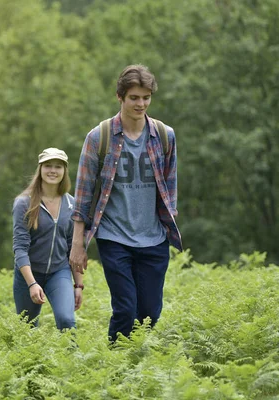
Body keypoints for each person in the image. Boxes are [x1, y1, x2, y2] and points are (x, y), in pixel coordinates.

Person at [70, 64, 182, 342]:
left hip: (153, 238)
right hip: (114, 236)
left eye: (146, 97)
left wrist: (169, 225)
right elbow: (83, 194)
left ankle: (138, 369)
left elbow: (170, 187)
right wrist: (78, 244)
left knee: (150, 314)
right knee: (125, 309)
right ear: (120, 97)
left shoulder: (164, 136)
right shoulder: (100, 137)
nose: (141, 103)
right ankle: (117, 371)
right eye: (134, 97)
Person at [12, 148, 84, 330]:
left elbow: (74, 246)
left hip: (59, 272)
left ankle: (71, 358)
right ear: (40, 169)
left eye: (58, 167)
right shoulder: (23, 203)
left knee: (67, 321)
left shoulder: (72, 204)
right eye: (48, 166)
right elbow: (20, 248)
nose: (53, 170)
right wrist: (32, 283)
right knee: (27, 328)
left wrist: (79, 285)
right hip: (29, 274)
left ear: (64, 171)